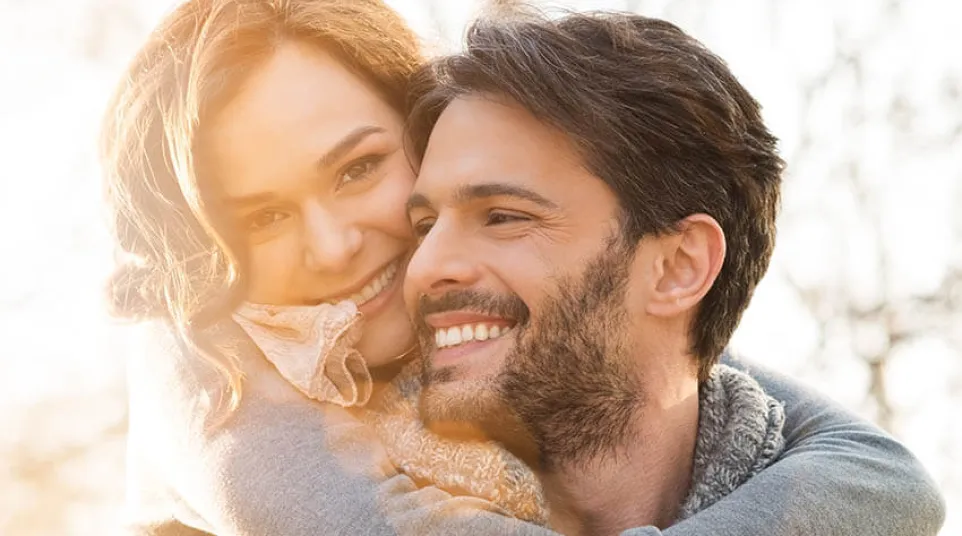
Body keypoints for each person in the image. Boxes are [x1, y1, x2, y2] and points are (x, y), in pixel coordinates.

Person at [101, 0, 944, 534]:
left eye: (360, 168)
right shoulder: (211, 362)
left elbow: (878, 473)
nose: (331, 247)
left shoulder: (489, 316)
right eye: (264, 217)